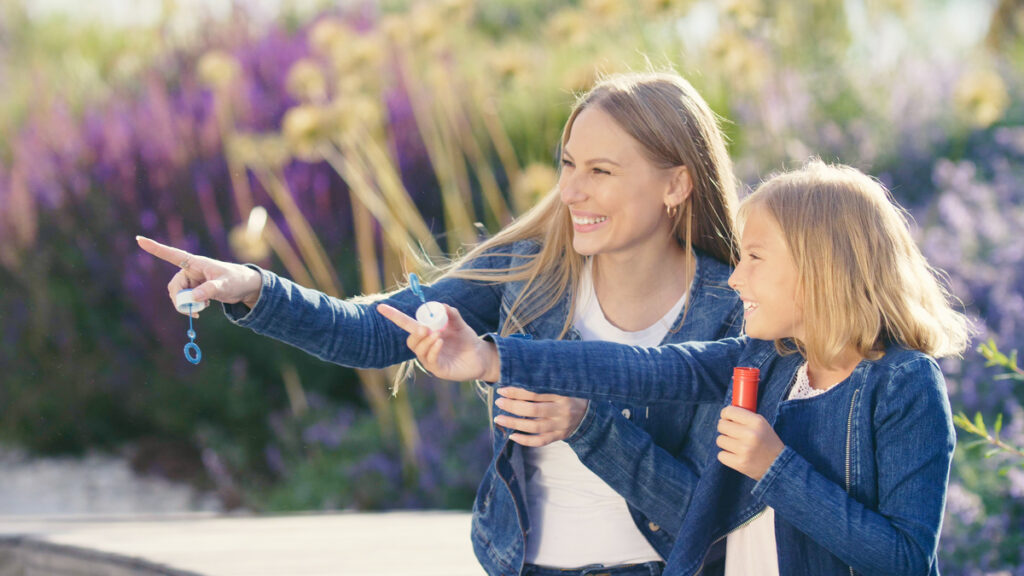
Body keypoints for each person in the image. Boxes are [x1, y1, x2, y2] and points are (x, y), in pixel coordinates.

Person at [138, 71, 743, 576]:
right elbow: (373, 331)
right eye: (567, 164)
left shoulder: (733, 311)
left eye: (600, 172)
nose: (570, 191)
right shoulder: (529, 274)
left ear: (676, 183)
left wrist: (586, 425)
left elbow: (707, 516)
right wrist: (254, 287)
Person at [381, 160, 971, 576]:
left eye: (756, 259)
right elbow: (643, 369)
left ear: (822, 269)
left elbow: (903, 559)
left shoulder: (902, 384)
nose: (735, 279)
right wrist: (492, 357)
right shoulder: (768, 361)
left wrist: (774, 465)